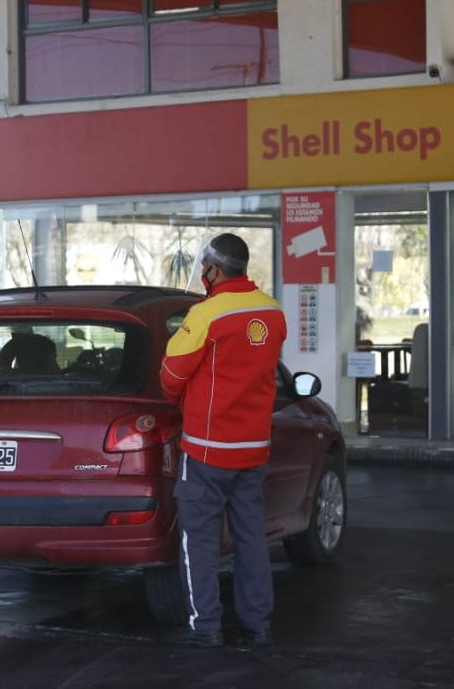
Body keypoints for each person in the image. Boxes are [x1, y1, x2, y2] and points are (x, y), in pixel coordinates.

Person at [159, 233, 287, 649]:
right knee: (251, 537)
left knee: (199, 541)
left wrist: (187, 399)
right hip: (253, 448)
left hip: (207, 449)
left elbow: (171, 375)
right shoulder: (273, 311)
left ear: (214, 269)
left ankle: (207, 627)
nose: (201, 273)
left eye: (204, 267)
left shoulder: (207, 313)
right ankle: (258, 624)